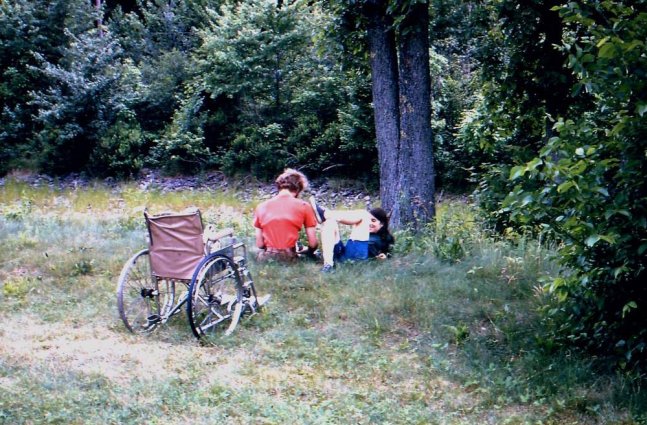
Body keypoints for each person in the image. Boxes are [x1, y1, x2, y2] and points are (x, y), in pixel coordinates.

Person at [309, 196, 395, 272]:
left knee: (363, 214)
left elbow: (389, 254)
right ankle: (328, 265)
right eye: (369, 221)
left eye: (373, 221)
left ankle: (325, 213)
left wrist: (385, 258)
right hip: (346, 255)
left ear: (382, 224)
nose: (369, 224)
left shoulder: (385, 238)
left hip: (358, 260)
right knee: (329, 222)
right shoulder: (365, 233)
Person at [253, 168, 319, 262]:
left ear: (279, 187)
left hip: (267, 257)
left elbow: (260, 244)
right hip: (289, 257)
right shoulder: (304, 206)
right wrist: (309, 251)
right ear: (298, 188)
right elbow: (313, 244)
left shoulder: (261, 206)